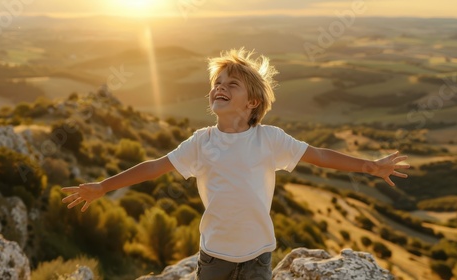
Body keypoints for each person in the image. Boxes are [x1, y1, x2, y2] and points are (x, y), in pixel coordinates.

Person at [61, 48, 410, 280]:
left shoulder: (270, 139)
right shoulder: (202, 142)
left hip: (259, 255)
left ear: (252, 102)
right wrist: (103, 186)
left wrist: (368, 166)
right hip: (214, 256)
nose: (219, 88)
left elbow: (319, 155)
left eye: (231, 84)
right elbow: (156, 165)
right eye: (216, 83)